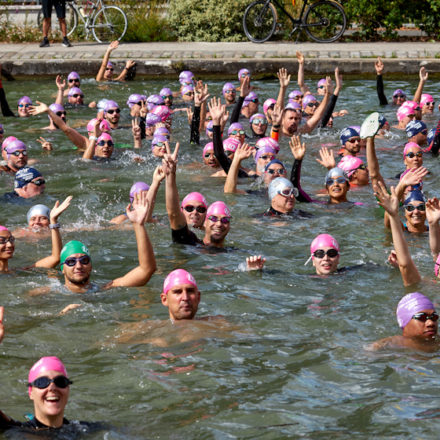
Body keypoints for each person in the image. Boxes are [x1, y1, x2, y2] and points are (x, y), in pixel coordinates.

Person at [0, 197, 70, 272]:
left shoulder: (18, 271)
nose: (9, 245)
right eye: (2, 240)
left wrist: (53, 221)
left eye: (11, 240)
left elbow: (56, 258)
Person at [369, 292, 439, 352]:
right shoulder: (387, 345)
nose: (431, 323)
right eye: (422, 317)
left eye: (434, 317)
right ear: (404, 322)